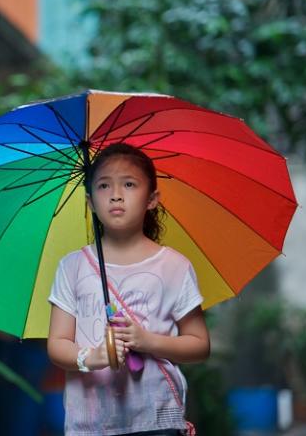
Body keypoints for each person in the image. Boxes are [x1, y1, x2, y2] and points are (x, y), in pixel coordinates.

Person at [47, 142, 211, 436]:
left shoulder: (173, 266)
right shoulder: (72, 266)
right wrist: (92, 357)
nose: (116, 195)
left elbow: (199, 344)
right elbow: (58, 343)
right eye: (103, 186)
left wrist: (146, 340)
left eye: (129, 184)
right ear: (90, 202)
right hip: (91, 424)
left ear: (152, 199)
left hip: (157, 420)